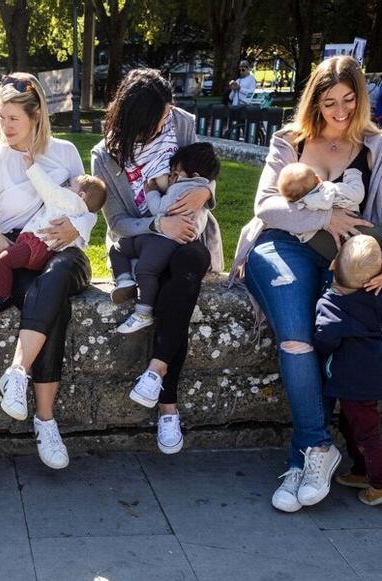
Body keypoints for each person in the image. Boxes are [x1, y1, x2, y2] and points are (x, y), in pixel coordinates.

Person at [231, 55, 382, 513]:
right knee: (296, 336)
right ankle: (315, 447)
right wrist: (323, 214)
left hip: (344, 256)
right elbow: (267, 208)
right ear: (314, 101)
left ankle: (304, 459)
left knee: (336, 337)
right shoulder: (288, 141)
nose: (340, 111)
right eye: (329, 102)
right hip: (282, 244)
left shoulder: (380, 146)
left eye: (349, 100)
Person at [93, 69, 222, 456]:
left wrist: (203, 193)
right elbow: (117, 222)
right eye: (158, 117)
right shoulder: (105, 155)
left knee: (186, 265)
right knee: (171, 285)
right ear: (134, 117)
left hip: (188, 236)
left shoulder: (183, 124)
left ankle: (157, 374)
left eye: (168, 112)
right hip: (142, 241)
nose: (167, 120)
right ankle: (167, 403)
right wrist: (156, 222)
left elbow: (206, 168)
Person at [0, 72, 94, 470]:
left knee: (56, 278)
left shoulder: (66, 153)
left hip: (67, 249)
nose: (5, 127)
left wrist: (76, 227)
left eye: (13, 119)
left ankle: (18, 374)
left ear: (37, 115)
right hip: (19, 249)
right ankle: (45, 419)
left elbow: (89, 203)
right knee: (51, 302)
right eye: (1, 118)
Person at [314, 235, 382, 506]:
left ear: (333, 265)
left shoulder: (331, 304)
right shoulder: (378, 296)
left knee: (365, 433)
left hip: (350, 379)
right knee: (355, 426)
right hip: (374, 373)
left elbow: (325, 337)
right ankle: (362, 471)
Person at [0, 154, 107, 315]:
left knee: (3, 260)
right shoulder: (79, 210)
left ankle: (2, 296)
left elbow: (47, 187)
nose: (63, 185)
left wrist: (31, 166)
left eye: (68, 184)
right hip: (40, 247)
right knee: (0, 251)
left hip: (36, 245)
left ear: (81, 195)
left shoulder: (69, 200)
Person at [108, 142, 220, 335]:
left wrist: (150, 190)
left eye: (176, 173)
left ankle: (143, 311)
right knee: (121, 248)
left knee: (143, 269)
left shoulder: (183, 188)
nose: (171, 177)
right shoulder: (200, 192)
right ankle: (126, 281)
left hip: (164, 240)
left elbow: (160, 208)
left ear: (194, 176)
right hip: (163, 239)